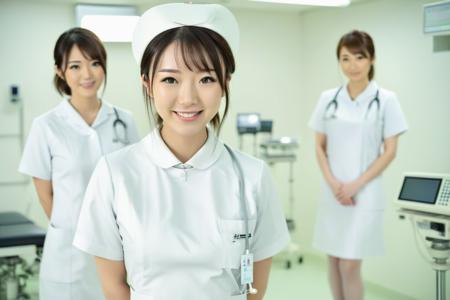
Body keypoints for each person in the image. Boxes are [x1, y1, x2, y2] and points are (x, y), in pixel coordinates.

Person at [73, 3, 290, 300]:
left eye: (206, 79)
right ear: (148, 84)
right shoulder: (114, 174)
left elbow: (255, 289)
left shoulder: (253, 176)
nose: (187, 98)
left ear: (225, 83)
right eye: (170, 79)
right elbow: (114, 288)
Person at [18, 27, 140, 300]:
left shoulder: (124, 120)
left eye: (95, 63)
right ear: (60, 71)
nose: (87, 74)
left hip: (118, 246)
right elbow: (45, 194)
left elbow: (134, 181)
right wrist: (73, 229)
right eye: (75, 66)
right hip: (68, 250)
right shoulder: (46, 126)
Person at [308, 30, 408, 300]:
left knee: (350, 264)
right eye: (345, 58)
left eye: (359, 57)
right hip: (333, 193)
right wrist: (333, 183)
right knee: (333, 260)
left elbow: (390, 152)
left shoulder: (386, 100)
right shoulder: (328, 98)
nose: (352, 65)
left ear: (372, 59)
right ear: (339, 62)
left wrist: (355, 186)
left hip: (363, 194)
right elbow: (319, 146)